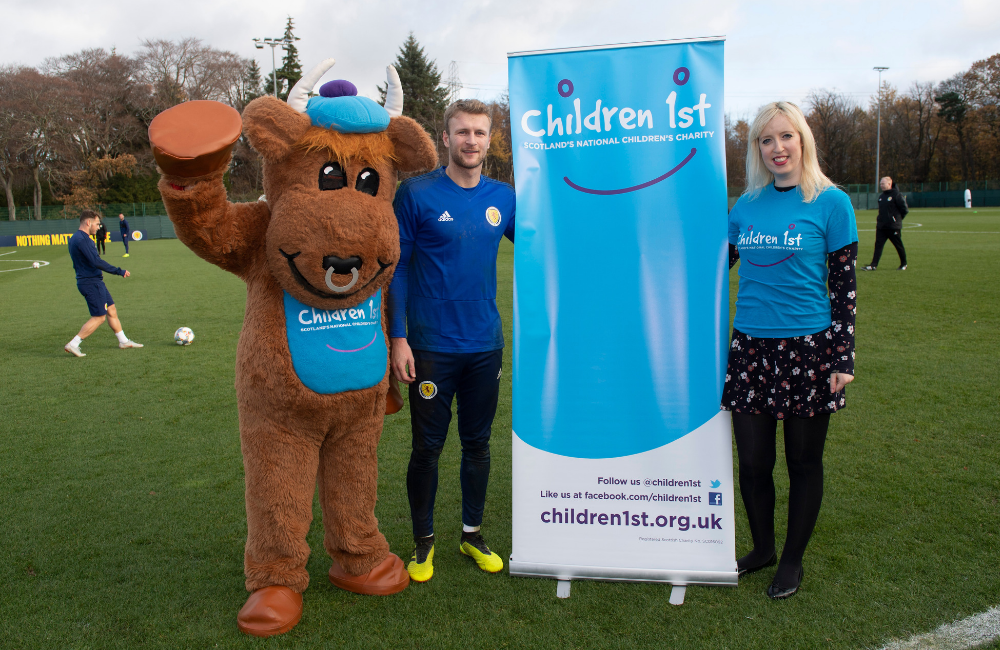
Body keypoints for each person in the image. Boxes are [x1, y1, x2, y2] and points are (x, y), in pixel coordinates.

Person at [724, 101, 857, 599]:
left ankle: (792, 561)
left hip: (809, 348)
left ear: (803, 141)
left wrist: (841, 356)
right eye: (766, 140)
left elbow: (844, 286)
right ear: (757, 148)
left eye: (786, 137)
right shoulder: (745, 206)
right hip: (750, 347)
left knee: (803, 462)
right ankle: (762, 550)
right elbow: (716, 263)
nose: (777, 148)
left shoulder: (831, 202)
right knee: (754, 463)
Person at [387, 99, 515, 583]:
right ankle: (423, 545)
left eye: (480, 134)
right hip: (431, 346)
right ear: (446, 138)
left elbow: (540, 246)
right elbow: (397, 269)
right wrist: (398, 340)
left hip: (486, 345)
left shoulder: (504, 196)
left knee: (478, 444)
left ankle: (472, 534)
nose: (471, 141)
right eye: (463, 132)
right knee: (428, 448)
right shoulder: (416, 195)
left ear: (489, 140)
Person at [64, 210, 143, 357]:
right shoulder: (84, 240)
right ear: (88, 222)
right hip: (90, 282)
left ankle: (123, 341)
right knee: (99, 317)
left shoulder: (75, 237)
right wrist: (119, 271)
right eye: (97, 223)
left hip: (91, 281)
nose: (99, 227)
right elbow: (96, 262)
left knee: (111, 310)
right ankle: (73, 344)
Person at [861, 176, 908, 271]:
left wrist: (896, 220)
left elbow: (904, 210)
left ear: (889, 184)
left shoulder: (897, 195)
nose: (881, 185)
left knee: (898, 245)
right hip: (881, 226)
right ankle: (873, 265)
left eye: (883, 183)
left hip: (893, 227)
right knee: (878, 245)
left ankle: (904, 264)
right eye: (880, 184)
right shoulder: (882, 196)